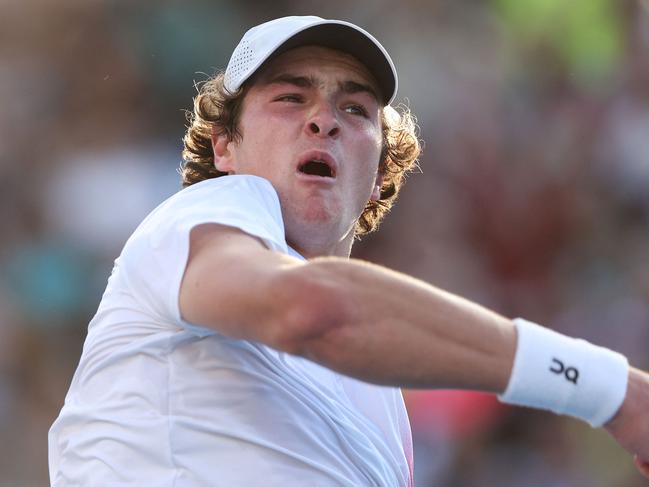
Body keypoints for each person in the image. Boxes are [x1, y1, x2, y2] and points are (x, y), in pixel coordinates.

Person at [49, 15, 649, 486]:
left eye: (355, 108)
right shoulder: (205, 214)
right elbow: (314, 310)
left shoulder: (383, 391)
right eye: (290, 98)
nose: (324, 120)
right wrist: (607, 389)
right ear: (224, 146)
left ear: (381, 164)